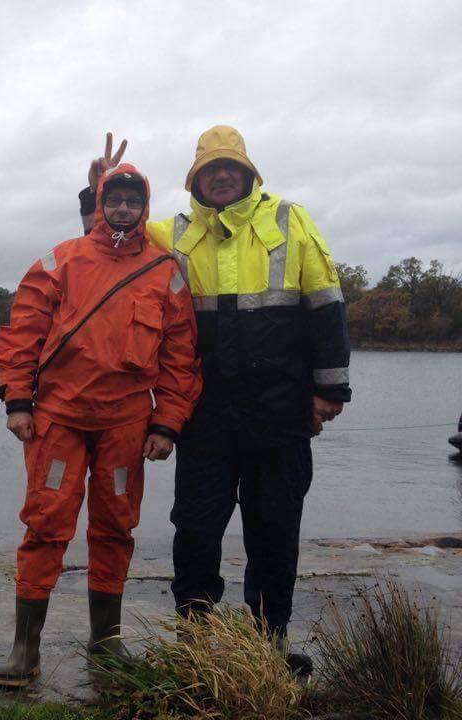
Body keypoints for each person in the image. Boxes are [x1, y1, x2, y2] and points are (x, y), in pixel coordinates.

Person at [79, 127, 351, 673]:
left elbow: (326, 303)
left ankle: (267, 644)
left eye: (231, 167)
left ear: (249, 173)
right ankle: (196, 641)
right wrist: (98, 190)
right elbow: (110, 236)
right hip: (203, 415)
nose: (221, 176)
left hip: (280, 414)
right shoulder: (171, 232)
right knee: (196, 528)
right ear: (196, 179)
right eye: (210, 169)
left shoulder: (289, 220)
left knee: (275, 531)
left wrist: (330, 389)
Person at [0, 162, 202, 687]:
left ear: (144, 207)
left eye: (134, 201)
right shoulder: (61, 260)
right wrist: (18, 400)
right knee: (45, 525)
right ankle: (25, 649)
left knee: (115, 529)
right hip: (58, 420)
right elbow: (22, 333)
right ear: (101, 202)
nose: (124, 209)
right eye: (116, 200)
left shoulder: (165, 271)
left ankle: (105, 642)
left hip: (127, 426)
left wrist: (168, 423)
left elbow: (182, 358)